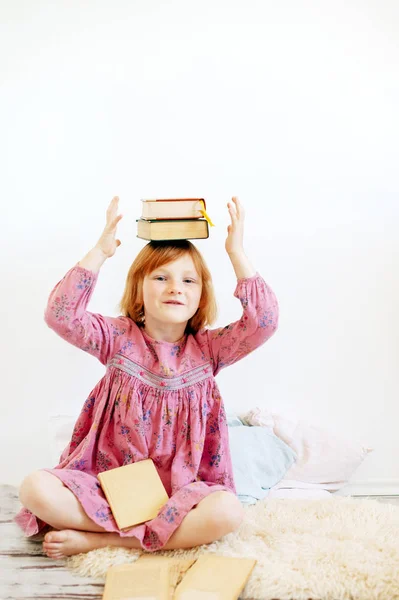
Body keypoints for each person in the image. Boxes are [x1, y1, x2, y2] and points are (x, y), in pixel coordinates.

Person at [15, 195, 279, 559]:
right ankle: (149, 534)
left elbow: (263, 323)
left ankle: (107, 539)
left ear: (201, 296)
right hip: (111, 484)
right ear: (139, 288)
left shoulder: (209, 350)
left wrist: (236, 252)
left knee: (228, 513)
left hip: (183, 493)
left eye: (189, 280)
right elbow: (61, 314)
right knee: (34, 488)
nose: (176, 288)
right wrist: (101, 251)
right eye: (161, 277)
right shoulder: (118, 340)